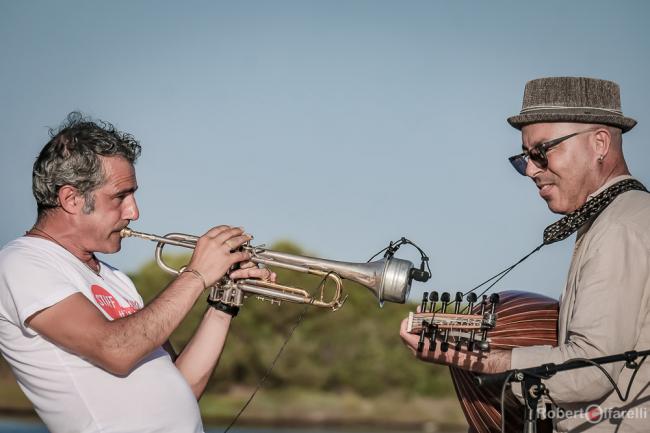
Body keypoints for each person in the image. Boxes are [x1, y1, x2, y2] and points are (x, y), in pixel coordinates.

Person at [400, 77, 650, 432]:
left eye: (541, 152)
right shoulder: (618, 218)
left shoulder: (618, 229)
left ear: (599, 143)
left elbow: (589, 372)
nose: (531, 169)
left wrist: (480, 360)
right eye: (524, 159)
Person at [0, 112, 275, 433]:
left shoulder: (116, 278)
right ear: (71, 199)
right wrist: (196, 274)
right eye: (120, 196)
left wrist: (224, 301)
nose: (134, 212)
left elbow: (181, 387)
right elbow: (115, 350)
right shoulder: (21, 264)